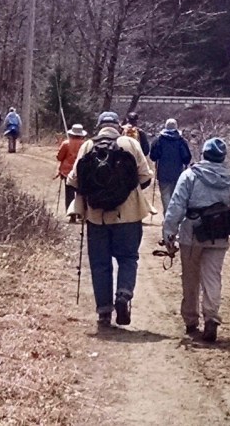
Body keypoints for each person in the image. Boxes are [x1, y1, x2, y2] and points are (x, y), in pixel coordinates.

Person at [67, 111, 154, 330]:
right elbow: (146, 176)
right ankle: (123, 295)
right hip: (129, 216)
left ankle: (104, 312)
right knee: (127, 258)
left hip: (97, 217)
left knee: (100, 264)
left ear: (98, 126)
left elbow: (73, 180)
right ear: (118, 126)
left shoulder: (88, 146)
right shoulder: (130, 144)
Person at [162, 137, 230, 342]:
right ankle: (212, 318)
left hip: (191, 234)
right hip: (219, 235)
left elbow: (176, 206)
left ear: (203, 154)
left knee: (190, 278)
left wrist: (169, 233)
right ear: (222, 157)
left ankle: (191, 320)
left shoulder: (189, 175)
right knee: (212, 277)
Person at [149, 118, 192, 208]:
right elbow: (186, 158)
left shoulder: (159, 139)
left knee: (165, 195)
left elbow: (153, 156)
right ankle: (173, 218)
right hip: (177, 173)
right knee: (175, 196)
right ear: (176, 127)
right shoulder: (181, 140)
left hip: (163, 173)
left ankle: (167, 216)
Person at [56, 124, 89, 211]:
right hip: (81, 172)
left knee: (69, 193)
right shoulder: (86, 144)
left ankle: (71, 214)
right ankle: (81, 212)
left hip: (67, 172)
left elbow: (59, 157)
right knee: (81, 193)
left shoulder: (66, 143)